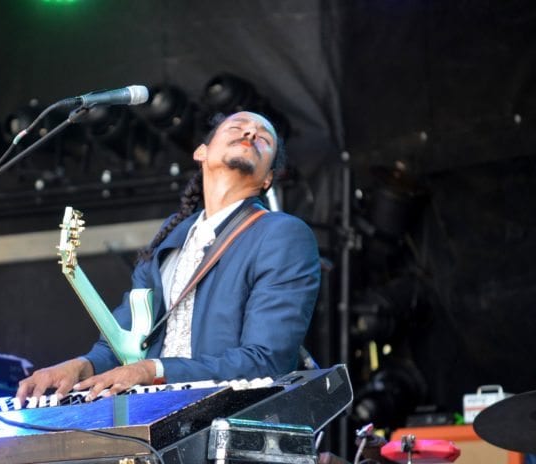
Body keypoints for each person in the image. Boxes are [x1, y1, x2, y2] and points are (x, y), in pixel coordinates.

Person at [16, 111, 321, 403]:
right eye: (237, 126)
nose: (251, 132)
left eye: (264, 138)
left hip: (225, 422)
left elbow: (266, 360)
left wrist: (154, 370)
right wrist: (84, 366)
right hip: (156, 420)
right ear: (201, 152)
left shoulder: (282, 234)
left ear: (268, 178)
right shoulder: (170, 239)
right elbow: (125, 342)